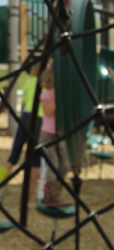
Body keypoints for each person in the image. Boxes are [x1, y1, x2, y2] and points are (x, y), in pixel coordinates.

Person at [0, 63, 43, 201]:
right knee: (35, 161)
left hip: (25, 118)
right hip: (39, 120)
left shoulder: (29, 81)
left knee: (12, 157)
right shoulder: (46, 84)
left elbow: (24, 103)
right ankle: (28, 198)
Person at [38, 64, 71, 207]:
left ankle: (55, 193)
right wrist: (56, 95)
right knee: (53, 165)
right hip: (48, 135)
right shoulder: (47, 94)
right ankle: (50, 196)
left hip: (60, 134)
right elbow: (49, 112)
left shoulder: (63, 94)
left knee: (65, 164)